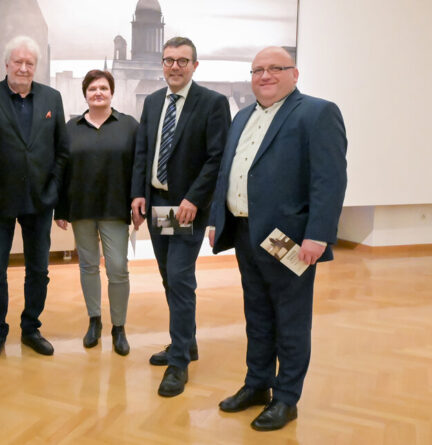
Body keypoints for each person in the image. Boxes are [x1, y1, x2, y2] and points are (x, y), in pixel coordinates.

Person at [208, 46, 347, 431]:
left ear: (294, 74)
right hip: (246, 233)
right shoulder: (242, 117)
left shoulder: (317, 113)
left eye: (274, 69)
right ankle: (257, 385)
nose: (264, 76)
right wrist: (218, 218)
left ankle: (287, 398)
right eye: (257, 71)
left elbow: (329, 180)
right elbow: (230, 173)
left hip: (287, 239)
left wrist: (318, 235)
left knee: (291, 318)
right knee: (257, 314)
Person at [130, 36, 230, 397]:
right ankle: (185, 343)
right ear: (162, 64)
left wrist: (194, 198)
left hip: (187, 206)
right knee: (168, 278)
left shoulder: (212, 103)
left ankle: (179, 363)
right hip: (158, 204)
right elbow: (143, 149)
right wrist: (138, 193)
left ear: (195, 66)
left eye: (182, 61)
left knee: (179, 276)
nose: (175, 66)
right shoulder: (155, 101)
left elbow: (216, 158)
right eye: (169, 60)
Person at [0, 35, 70, 361]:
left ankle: (31, 328)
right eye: (18, 62)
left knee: (38, 270)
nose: (24, 68)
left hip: (40, 201)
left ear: (35, 66)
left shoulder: (52, 98)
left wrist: (54, 190)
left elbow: (61, 151)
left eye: (30, 63)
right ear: (7, 64)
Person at [54, 70, 138, 356]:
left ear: (111, 92)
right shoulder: (71, 127)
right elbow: (62, 171)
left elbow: (138, 168)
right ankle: (94, 321)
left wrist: (138, 202)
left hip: (115, 208)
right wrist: (61, 208)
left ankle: (119, 327)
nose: (98, 92)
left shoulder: (128, 126)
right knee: (88, 266)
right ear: (85, 94)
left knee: (118, 268)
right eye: (92, 88)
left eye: (103, 87)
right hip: (82, 209)